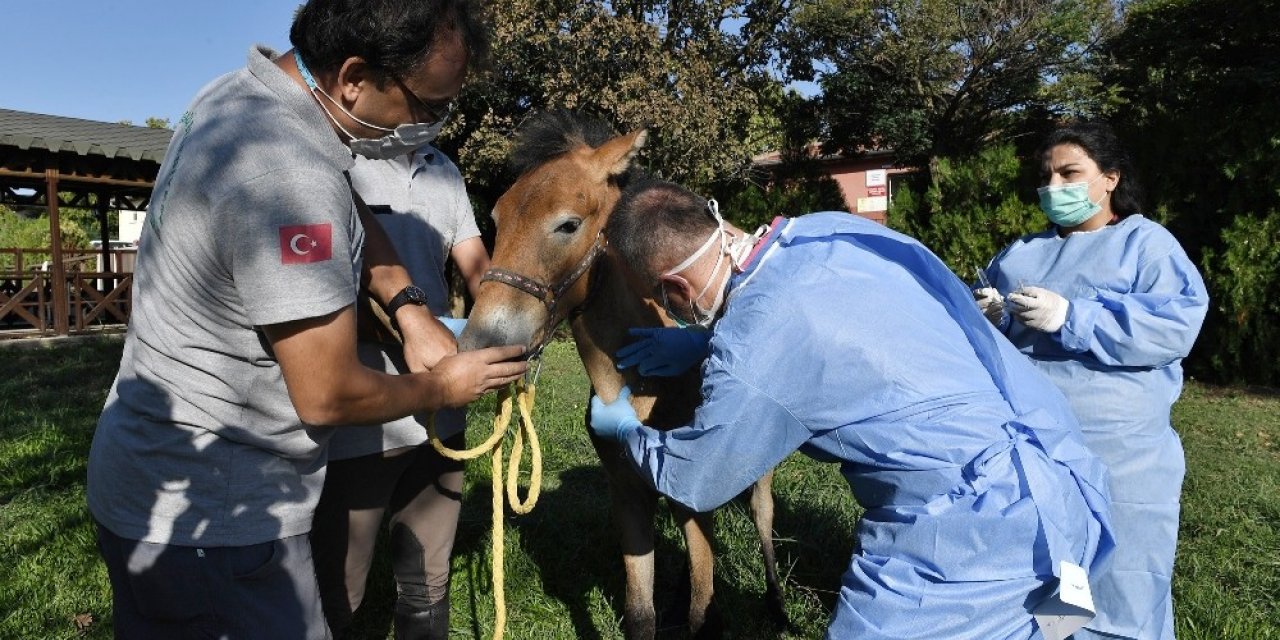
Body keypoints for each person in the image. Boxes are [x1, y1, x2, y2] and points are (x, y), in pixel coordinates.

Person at [86, 1, 526, 637]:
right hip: (219, 518)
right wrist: (442, 388)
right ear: (353, 77)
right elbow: (326, 394)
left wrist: (410, 311)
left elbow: (346, 201)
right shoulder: (289, 173)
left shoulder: (243, 96)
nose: (433, 124)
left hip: (153, 476)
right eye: (427, 106)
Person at [591, 181, 1116, 640]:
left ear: (675, 289)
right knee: (1050, 632)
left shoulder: (751, 350)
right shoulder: (826, 232)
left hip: (970, 541)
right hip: (1066, 490)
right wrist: (709, 340)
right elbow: (844, 325)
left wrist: (628, 431)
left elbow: (701, 478)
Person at [976, 122, 1209, 640]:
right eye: (1046, 176)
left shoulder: (1146, 245)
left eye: (1069, 173)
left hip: (1122, 453)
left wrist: (1074, 318)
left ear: (1109, 178)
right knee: (1056, 572)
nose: (1053, 187)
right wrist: (993, 318)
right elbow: (994, 330)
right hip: (1037, 445)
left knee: (1125, 580)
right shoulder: (1020, 254)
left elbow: (1174, 325)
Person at [311, 139, 489, 639]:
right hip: (365, 414)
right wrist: (413, 328)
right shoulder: (338, 159)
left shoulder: (443, 169)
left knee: (429, 579)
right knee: (340, 587)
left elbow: (477, 267)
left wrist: (504, 325)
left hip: (444, 411)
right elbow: (317, 298)